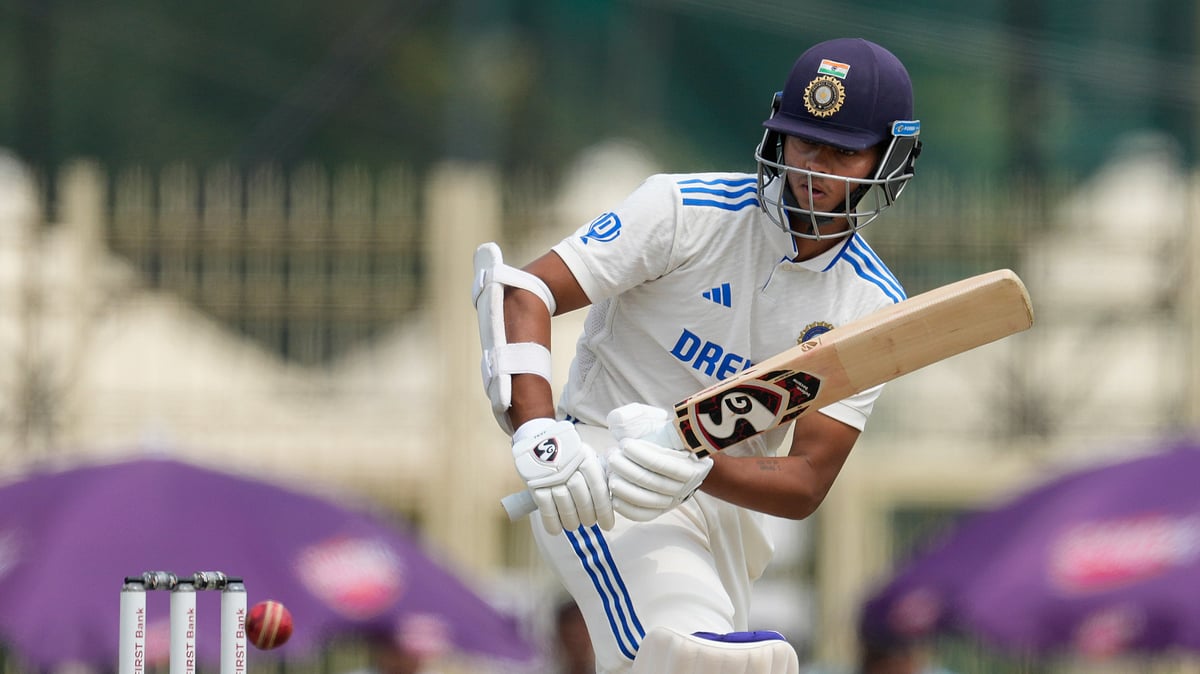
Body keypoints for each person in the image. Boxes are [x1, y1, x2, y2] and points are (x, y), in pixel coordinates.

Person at [472, 37, 921, 674]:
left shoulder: (870, 303)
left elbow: (805, 481)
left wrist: (697, 470)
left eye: (843, 152)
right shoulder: (684, 212)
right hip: (601, 477)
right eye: (803, 142)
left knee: (685, 660)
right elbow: (523, 291)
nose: (814, 169)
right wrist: (540, 432)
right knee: (698, 659)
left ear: (889, 156)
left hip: (731, 512)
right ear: (776, 137)